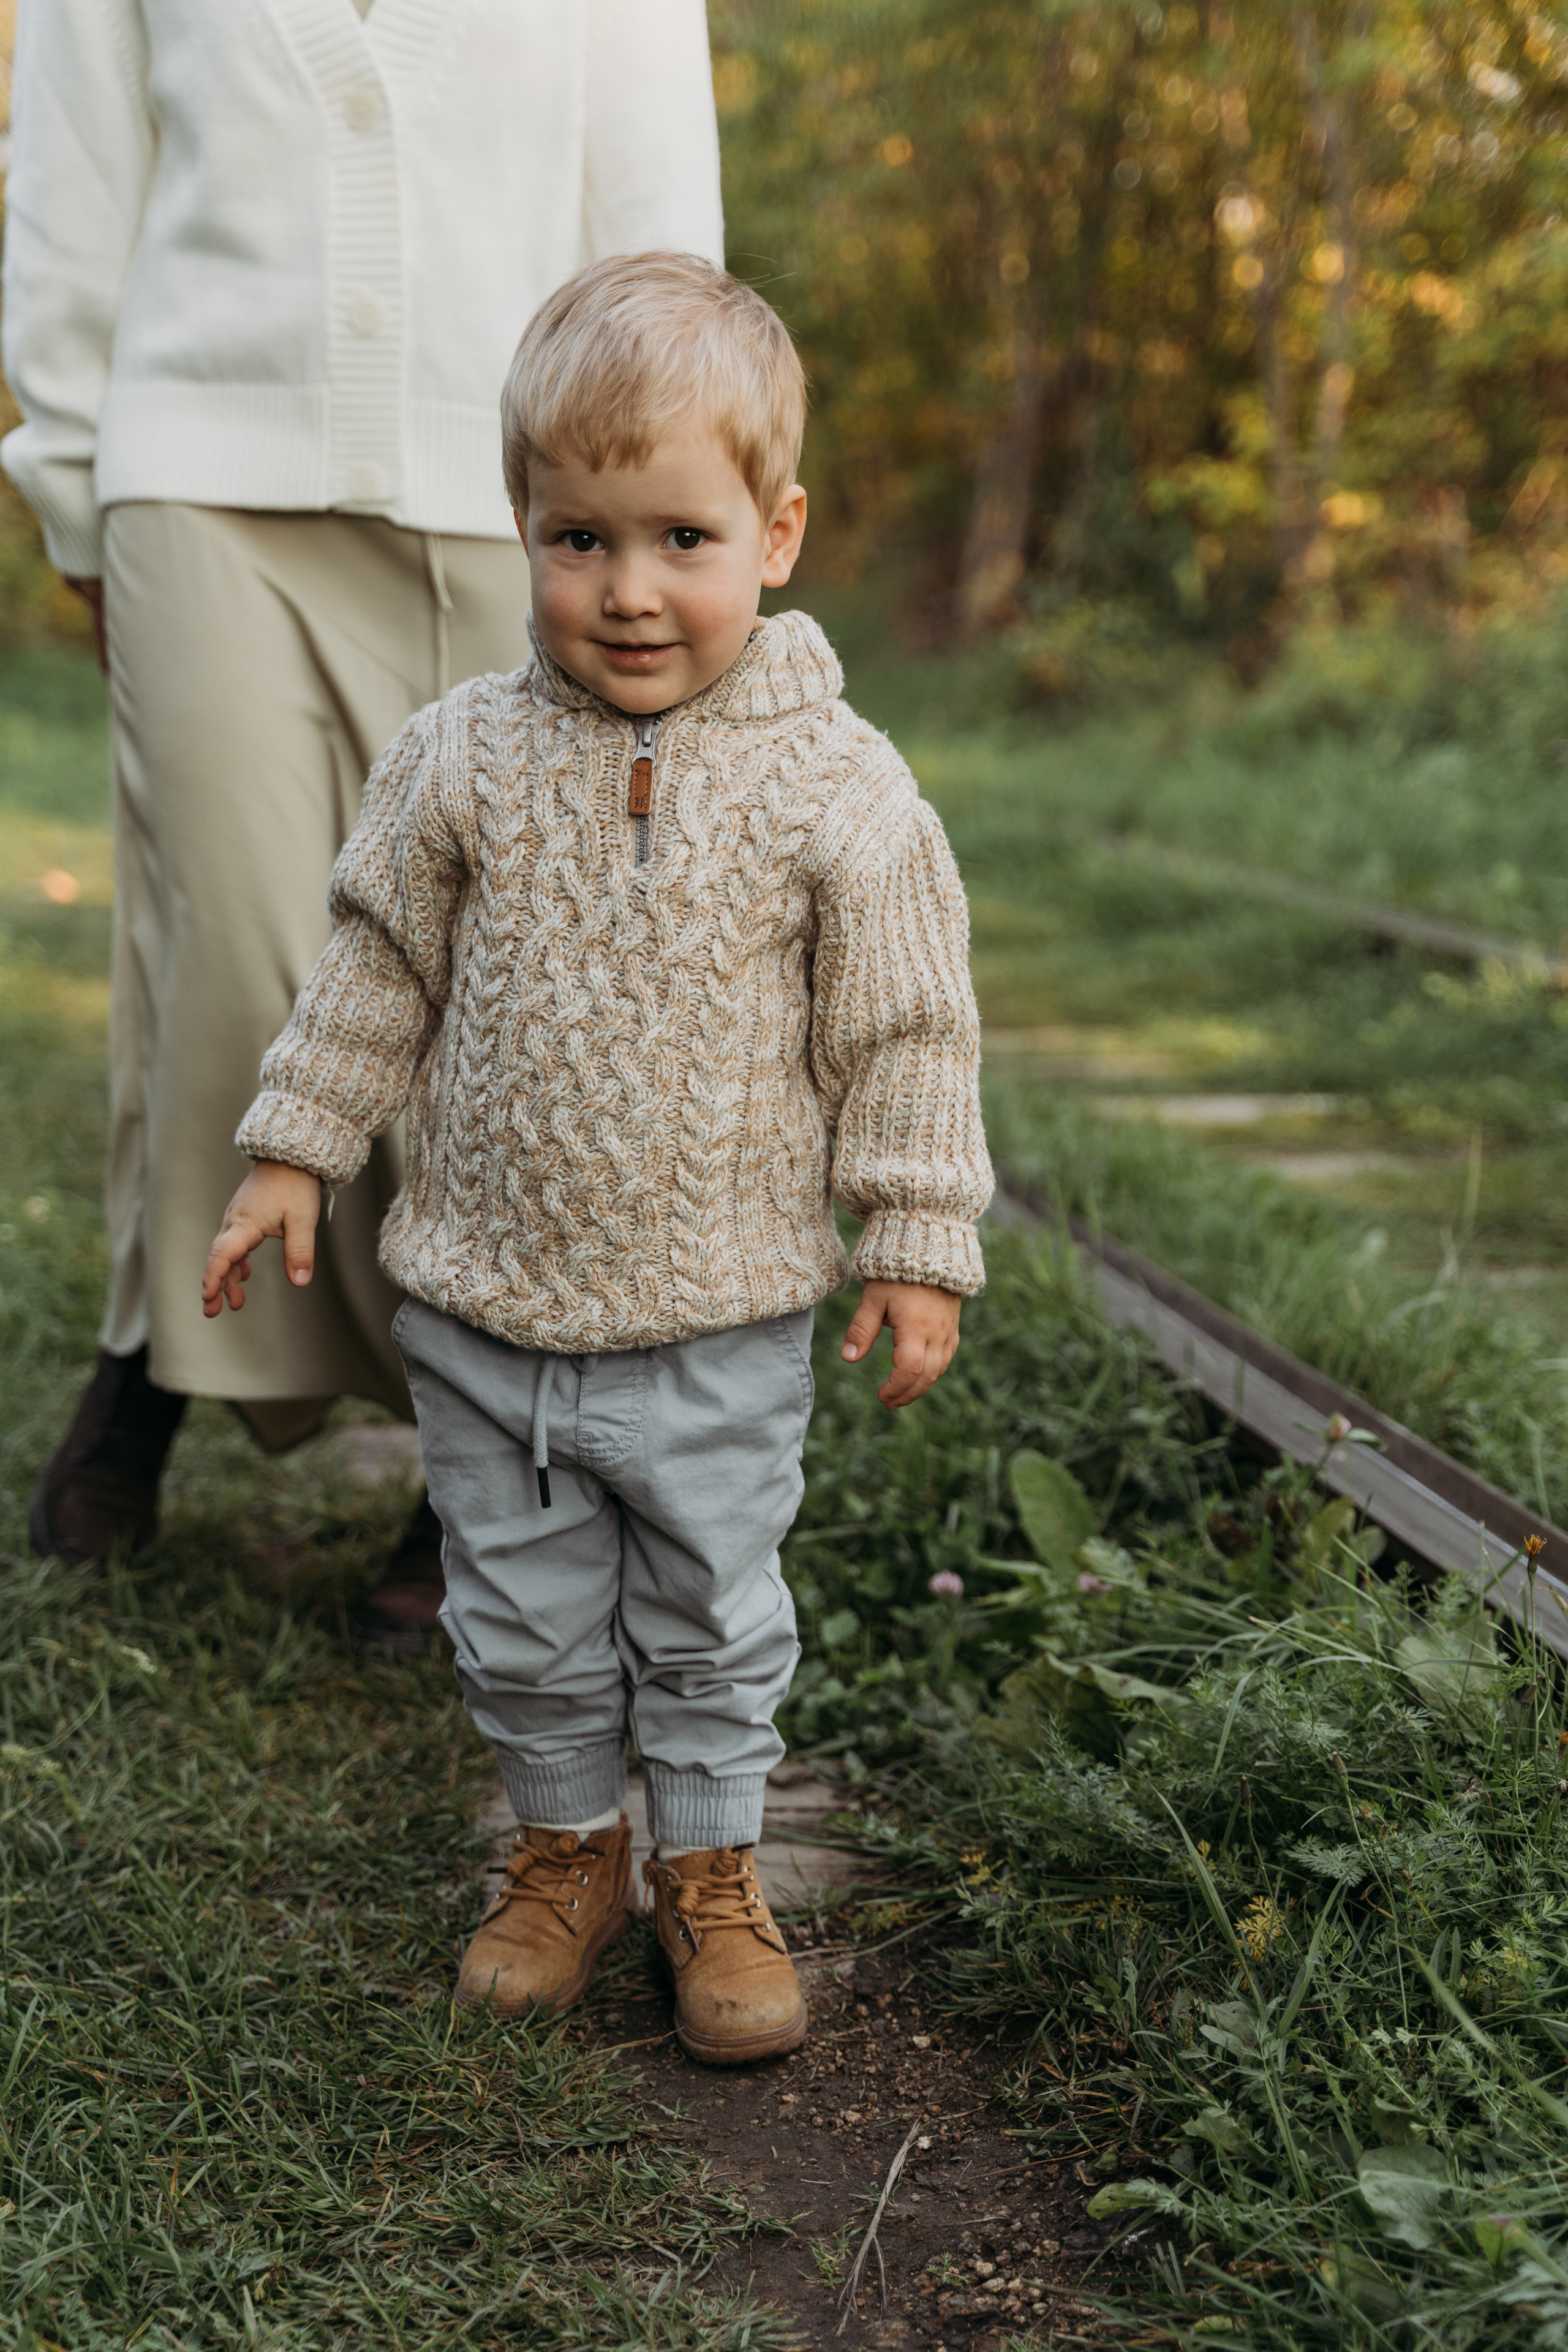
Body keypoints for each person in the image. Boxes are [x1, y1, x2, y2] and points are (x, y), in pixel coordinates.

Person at [202, 252, 992, 2062]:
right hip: (489, 1312)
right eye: (580, 540)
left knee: (710, 1618)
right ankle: (566, 1848)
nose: (630, 591)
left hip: (720, 1320)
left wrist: (915, 1233)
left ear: (777, 536)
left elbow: (906, 1029)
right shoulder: (462, 758)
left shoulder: (842, 787)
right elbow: (376, 969)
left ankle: (709, 1868)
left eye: (681, 540)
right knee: (524, 1615)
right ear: (524, 531)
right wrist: (295, 1151)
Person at [2, 0, 723, 1649]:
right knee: (233, 955)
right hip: (198, 473)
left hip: (526, 494)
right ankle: (160, 1344)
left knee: (510, 989)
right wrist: (72, 480)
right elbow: (74, 182)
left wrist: (663, 510)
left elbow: (657, 228)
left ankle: (479, 1443)